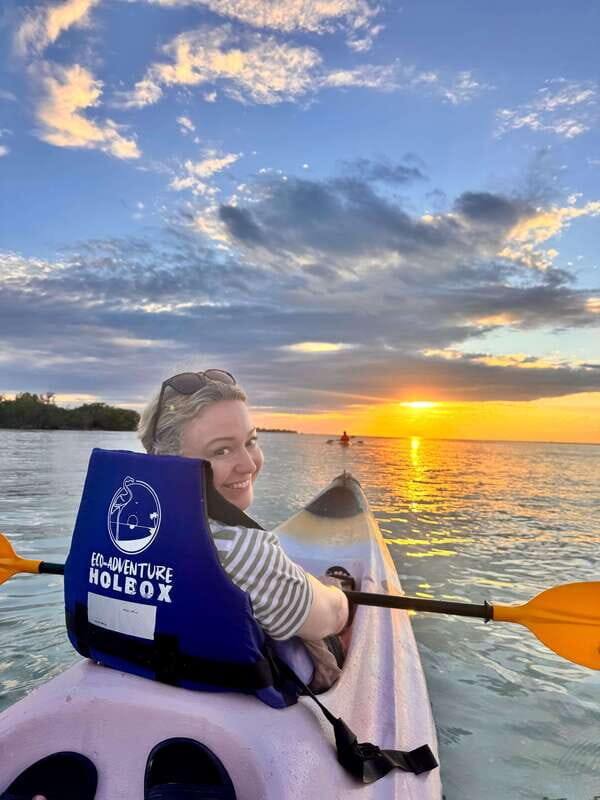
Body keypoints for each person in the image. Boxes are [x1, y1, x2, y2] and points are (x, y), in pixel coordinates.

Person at [137, 369, 353, 687]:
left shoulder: (128, 529)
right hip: (217, 688)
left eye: (250, 442)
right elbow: (331, 618)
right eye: (221, 450)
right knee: (337, 619)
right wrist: (339, 596)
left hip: (149, 665)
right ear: (167, 461)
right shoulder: (237, 548)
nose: (249, 465)